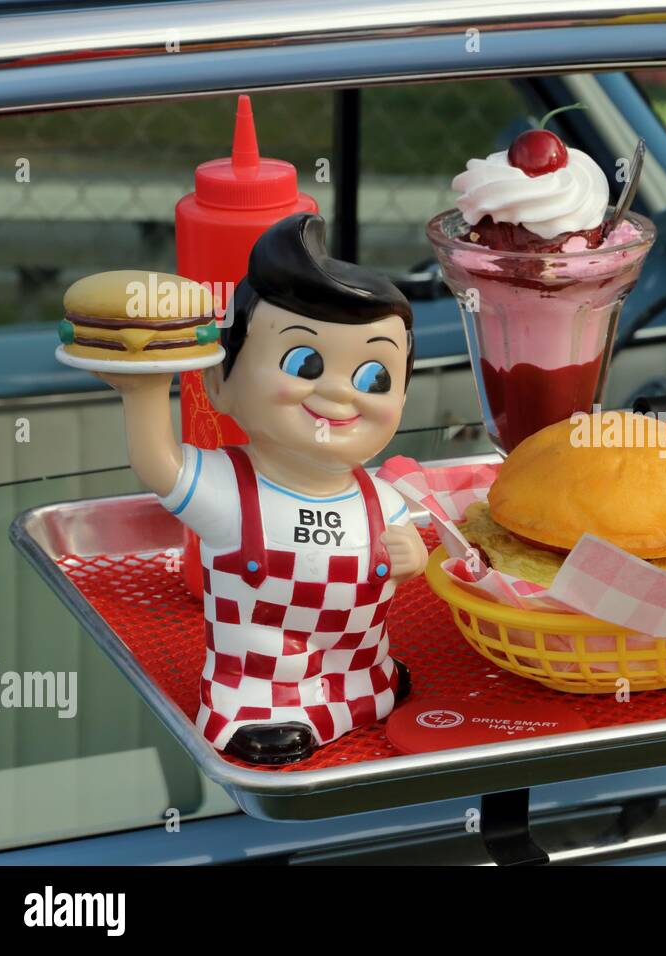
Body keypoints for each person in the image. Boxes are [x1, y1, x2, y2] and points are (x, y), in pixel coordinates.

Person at [98, 213, 428, 764]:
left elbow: (407, 553)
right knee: (264, 700)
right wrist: (144, 392)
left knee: (369, 671)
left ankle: (367, 691)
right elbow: (158, 464)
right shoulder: (231, 488)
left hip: (360, 667)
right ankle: (256, 717)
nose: (338, 395)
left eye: (375, 377)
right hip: (262, 686)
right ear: (219, 383)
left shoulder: (380, 497)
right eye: (305, 361)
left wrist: (411, 555)